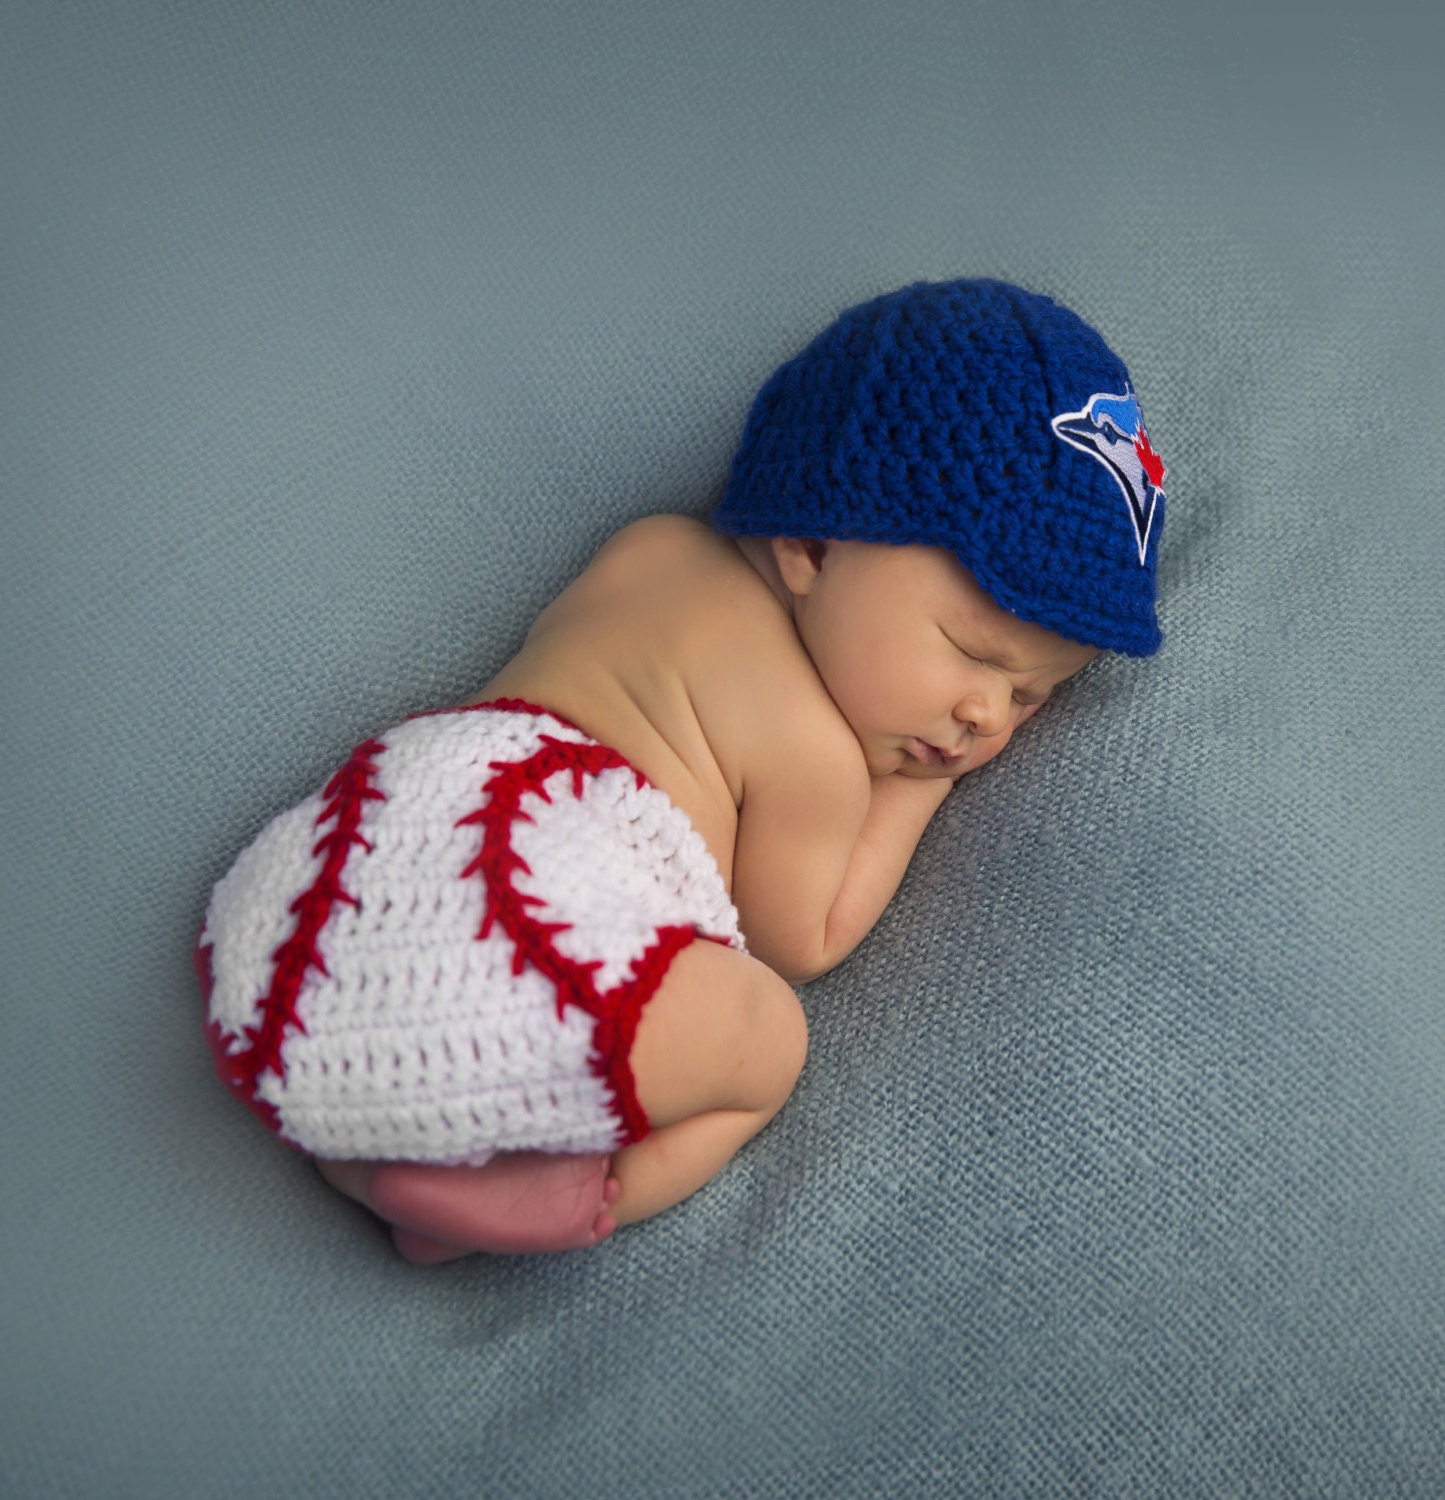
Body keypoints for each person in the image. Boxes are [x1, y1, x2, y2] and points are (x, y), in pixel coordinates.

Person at [196, 279, 1166, 1262]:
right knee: (769, 1035)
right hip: (533, 908)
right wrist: (918, 788)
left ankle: (368, 1150)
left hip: (354, 855)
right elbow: (806, 937)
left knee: (363, 1032)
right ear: (812, 544)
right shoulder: (811, 757)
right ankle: (573, 1184)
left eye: (1033, 696)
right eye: (974, 653)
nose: (987, 717)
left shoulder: (647, 548)